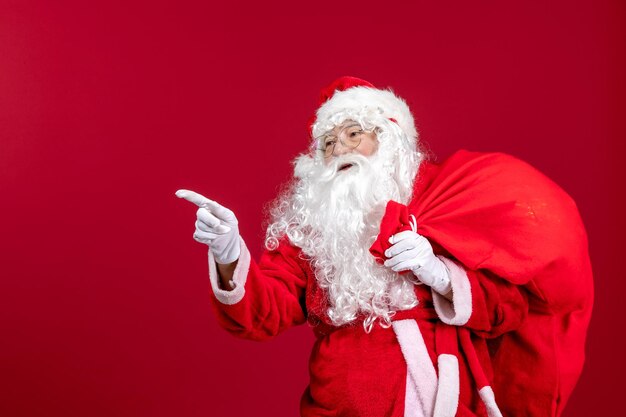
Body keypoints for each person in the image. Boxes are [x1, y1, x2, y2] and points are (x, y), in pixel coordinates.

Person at [176, 76, 593, 417]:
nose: (339, 148)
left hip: (449, 404)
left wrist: (441, 275)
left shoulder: (446, 201)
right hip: (343, 406)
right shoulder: (312, 229)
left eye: (353, 133)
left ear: (390, 138)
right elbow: (262, 314)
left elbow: (508, 309)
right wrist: (229, 253)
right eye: (328, 142)